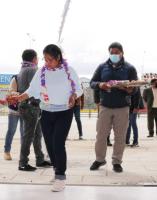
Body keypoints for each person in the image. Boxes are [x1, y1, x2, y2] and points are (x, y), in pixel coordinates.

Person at [7, 44, 82, 192]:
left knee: (58, 143)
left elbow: (78, 88)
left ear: (58, 58)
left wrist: (74, 96)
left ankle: (61, 176)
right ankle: (56, 169)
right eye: (45, 59)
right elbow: (32, 90)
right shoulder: (41, 72)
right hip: (46, 112)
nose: (47, 63)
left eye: (50, 60)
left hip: (64, 111)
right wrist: (20, 97)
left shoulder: (69, 71)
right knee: (49, 144)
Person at [90, 42, 137, 173]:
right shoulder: (102, 67)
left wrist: (130, 90)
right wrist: (100, 85)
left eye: (117, 52)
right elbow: (92, 82)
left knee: (120, 137)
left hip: (122, 107)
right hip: (105, 106)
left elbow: (135, 87)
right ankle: (99, 159)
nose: (114, 55)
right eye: (112, 52)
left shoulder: (130, 68)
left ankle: (117, 162)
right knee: (101, 135)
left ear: (122, 53)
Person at [15, 49, 50, 171]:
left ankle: (39, 159)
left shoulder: (22, 69)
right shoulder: (33, 70)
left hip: (26, 105)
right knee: (29, 135)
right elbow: (36, 89)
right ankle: (23, 163)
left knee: (36, 134)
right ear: (34, 58)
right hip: (31, 106)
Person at [4, 75, 23, 160]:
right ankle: (6, 151)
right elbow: (11, 91)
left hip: (25, 110)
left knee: (24, 133)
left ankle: (23, 153)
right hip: (14, 110)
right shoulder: (16, 78)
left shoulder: (32, 78)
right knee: (11, 131)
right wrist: (22, 95)